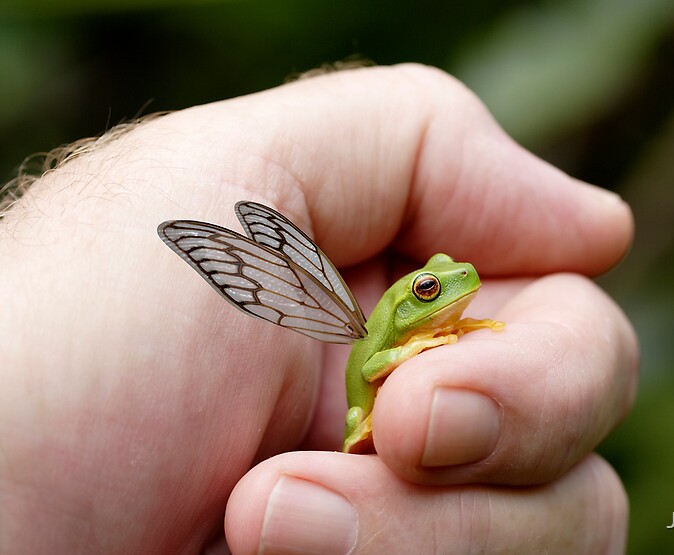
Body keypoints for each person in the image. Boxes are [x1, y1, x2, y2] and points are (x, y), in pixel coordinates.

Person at [0, 64, 638, 554]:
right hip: (362, 411)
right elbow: (377, 363)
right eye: (428, 289)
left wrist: (453, 331)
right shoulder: (385, 330)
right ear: (410, 304)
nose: (451, 283)